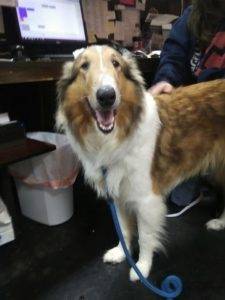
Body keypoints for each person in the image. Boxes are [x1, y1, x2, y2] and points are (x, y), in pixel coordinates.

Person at [150, 0, 225, 207]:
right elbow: (173, 53)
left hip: (218, 116)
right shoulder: (192, 16)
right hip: (192, 124)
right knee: (176, 199)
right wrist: (165, 79)